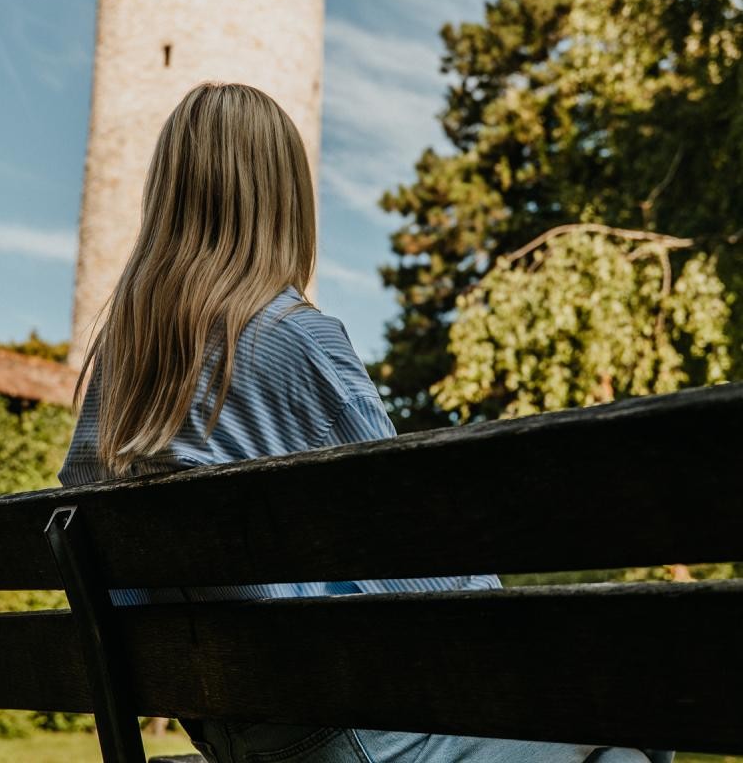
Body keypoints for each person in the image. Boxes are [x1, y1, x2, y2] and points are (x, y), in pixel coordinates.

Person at [58, 82, 674, 763]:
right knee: (629, 734)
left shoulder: (114, 375)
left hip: (235, 741)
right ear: (284, 200)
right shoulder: (298, 341)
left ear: (165, 197)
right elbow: (416, 559)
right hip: (352, 740)